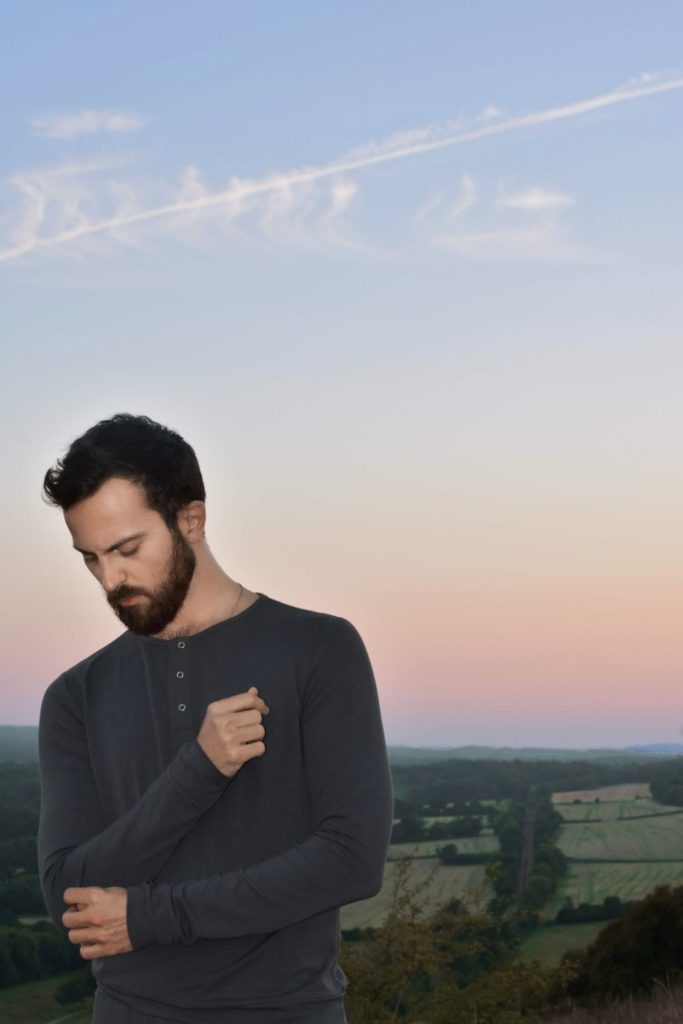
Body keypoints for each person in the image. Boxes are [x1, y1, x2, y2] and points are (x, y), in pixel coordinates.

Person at [37, 413, 394, 1024]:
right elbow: (68, 892)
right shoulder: (75, 696)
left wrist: (152, 916)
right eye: (90, 558)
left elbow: (352, 857)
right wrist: (198, 770)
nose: (110, 579)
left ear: (191, 519)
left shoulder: (319, 648)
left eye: (127, 549)